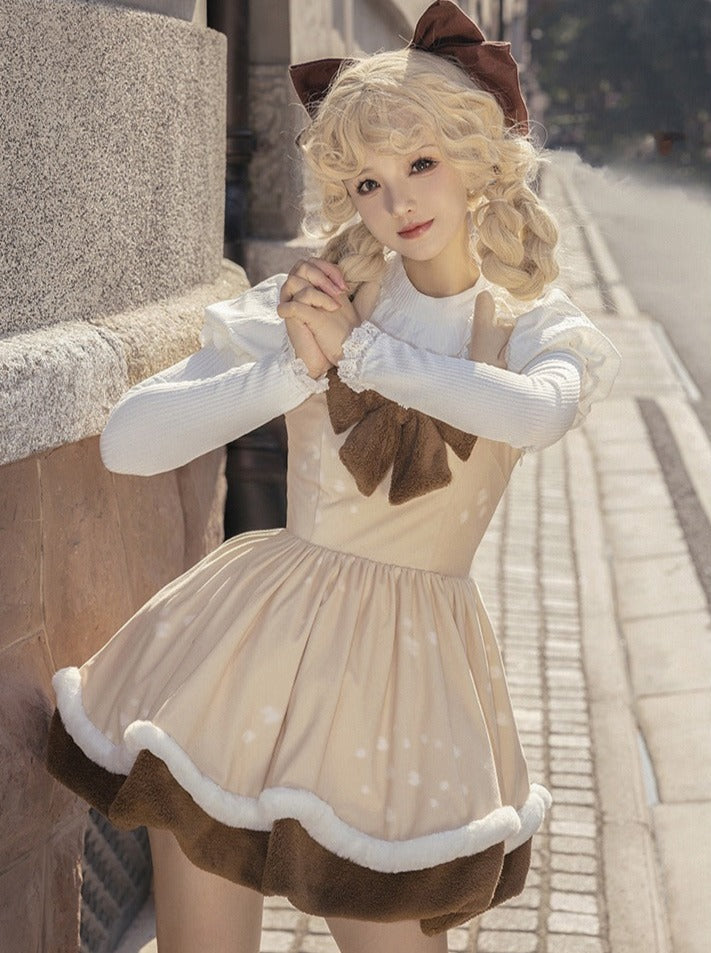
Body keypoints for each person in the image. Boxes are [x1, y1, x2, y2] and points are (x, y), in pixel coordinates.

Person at [47, 3, 620, 951]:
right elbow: (131, 443)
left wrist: (362, 356)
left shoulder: (530, 327)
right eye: (368, 180)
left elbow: (538, 413)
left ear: (478, 161)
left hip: (405, 681)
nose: (397, 201)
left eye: (420, 163)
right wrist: (294, 369)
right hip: (245, 653)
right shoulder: (317, 300)